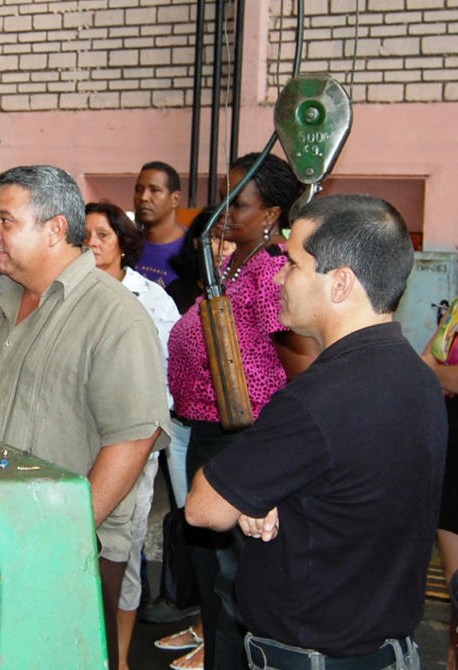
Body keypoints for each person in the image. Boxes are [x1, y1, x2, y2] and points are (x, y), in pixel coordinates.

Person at [186, 193, 446, 670]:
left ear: (340, 283)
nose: (281, 278)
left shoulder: (319, 399)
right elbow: (345, 492)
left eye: (293, 263)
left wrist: (251, 499)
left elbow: (204, 509)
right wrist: (267, 498)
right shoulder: (417, 377)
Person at [0, 165, 170, 668]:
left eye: (5, 220)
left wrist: (63, 537)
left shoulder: (115, 317)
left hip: (68, 554)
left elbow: (134, 439)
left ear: (54, 229)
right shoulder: (2, 306)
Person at [165, 152, 318, 670]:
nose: (225, 209)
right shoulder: (234, 264)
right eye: (225, 196)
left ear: (272, 212)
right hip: (208, 437)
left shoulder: (272, 272)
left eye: (240, 201)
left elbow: (304, 367)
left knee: (232, 580)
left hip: (241, 442)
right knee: (214, 579)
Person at [85, 201, 180, 670]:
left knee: (124, 548)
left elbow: (168, 379)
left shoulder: (154, 301)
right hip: (79, 440)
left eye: (103, 235)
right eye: (85, 235)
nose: (92, 244)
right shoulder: (69, 295)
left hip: (134, 445)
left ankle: (119, 658)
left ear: (123, 241)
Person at [422, 292, 458, 670]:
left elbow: (431, 366)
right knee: (456, 586)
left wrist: (437, 371)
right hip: (452, 450)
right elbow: (423, 360)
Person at [134, 161, 184, 287]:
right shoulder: (127, 244)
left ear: (175, 199)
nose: (143, 197)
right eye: (139, 190)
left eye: (154, 190)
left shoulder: (192, 249)